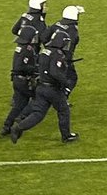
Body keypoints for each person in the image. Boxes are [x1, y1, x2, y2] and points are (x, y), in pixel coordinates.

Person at [11, 9, 81, 143]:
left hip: (41, 88)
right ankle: (66, 136)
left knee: (38, 113)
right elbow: (55, 72)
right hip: (52, 89)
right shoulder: (58, 55)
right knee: (64, 111)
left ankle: (19, 127)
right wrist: (65, 82)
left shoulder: (45, 52)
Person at [1, 0, 49, 136]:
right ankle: (23, 118)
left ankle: (7, 126)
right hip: (30, 58)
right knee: (39, 96)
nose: (46, 7)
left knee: (19, 101)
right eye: (44, 5)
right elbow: (44, 38)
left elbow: (14, 30)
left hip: (19, 68)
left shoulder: (25, 16)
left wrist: (23, 37)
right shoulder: (38, 21)